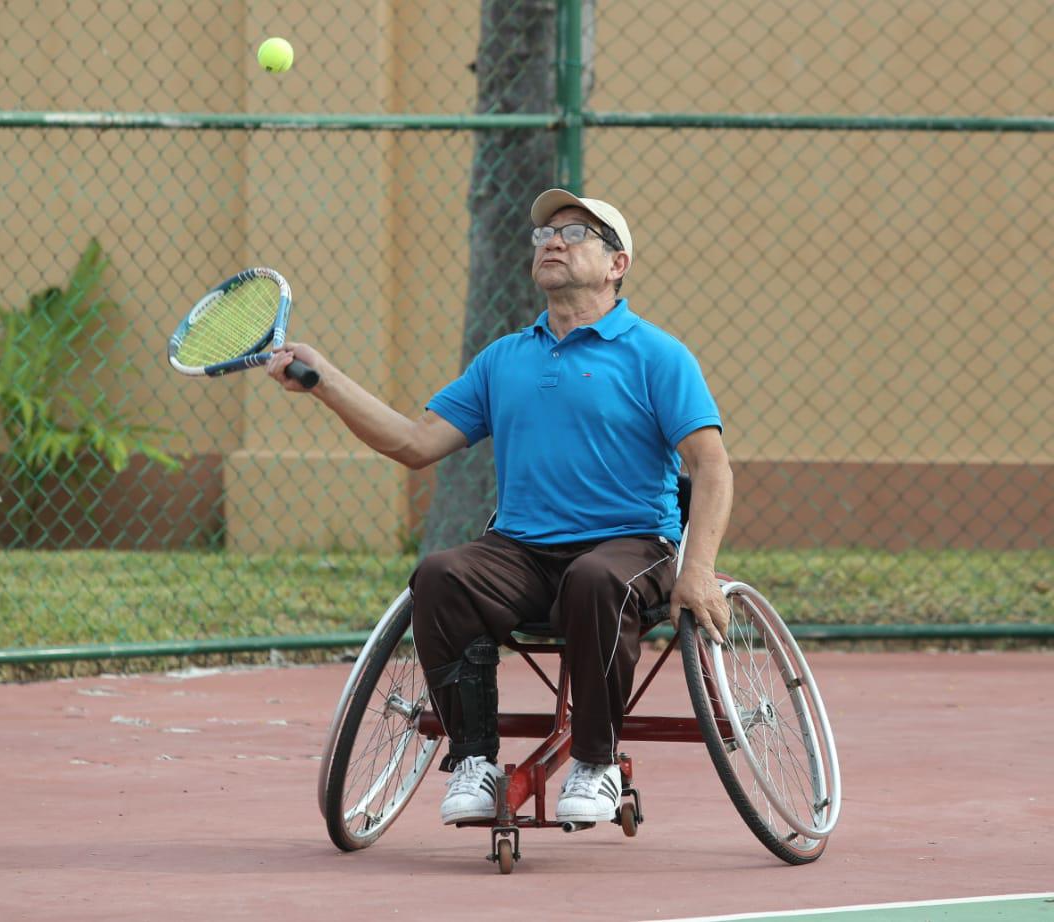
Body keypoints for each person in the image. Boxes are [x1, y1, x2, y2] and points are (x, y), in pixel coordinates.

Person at [267, 188, 733, 827]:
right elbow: (414, 443)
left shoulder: (657, 355)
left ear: (617, 264)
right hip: (522, 549)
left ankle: (595, 763)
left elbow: (711, 466)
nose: (553, 241)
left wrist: (698, 569)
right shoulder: (504, 359)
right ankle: (474, 761)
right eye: (544, 234)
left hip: (631, 545)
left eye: (576, 232)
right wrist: (325, 381)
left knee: (594, 579)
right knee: (441, 574)